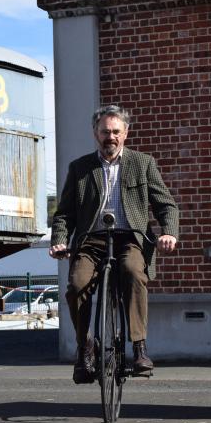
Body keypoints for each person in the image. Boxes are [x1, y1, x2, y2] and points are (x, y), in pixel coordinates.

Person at [49, 105, 179, 384]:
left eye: (116, 132)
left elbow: (166, 205)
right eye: (105, 131)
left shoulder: (142, 163)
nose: (111, 137)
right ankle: (85, 348)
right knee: (76, 285)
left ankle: (139, 347)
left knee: (133, 272)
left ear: (126, 133)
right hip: (91, 239)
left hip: (129, 237)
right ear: (96, 134)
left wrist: (169, 232)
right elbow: (64, 214)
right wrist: (60, 241)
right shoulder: (80, 168)